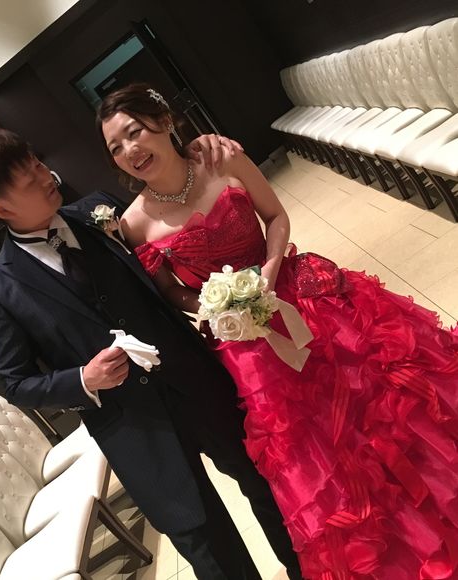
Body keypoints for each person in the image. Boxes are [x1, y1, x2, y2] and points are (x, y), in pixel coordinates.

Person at [97, 83, 458, 580]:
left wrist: (267, 272)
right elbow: (170, 293)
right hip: (246, 345)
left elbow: (275, 215)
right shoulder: (135, 222)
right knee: (322, 452)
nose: (129, 150)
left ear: (164, 123)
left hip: (301, 296)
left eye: (134, 132)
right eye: (115, 147)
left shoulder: (222, 159)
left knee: (381, 404)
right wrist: (213, 305)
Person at [0, 123, 302, 580]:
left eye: (37, 163)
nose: (45, 175)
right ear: (0, 208)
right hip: (135, 426)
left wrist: (197, 148)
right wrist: (83, 379)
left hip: (196, 382)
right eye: (28, 178)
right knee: (206, 543)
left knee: (269, 488)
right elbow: (16, 384)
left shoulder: (99, 211)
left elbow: (168, 210)